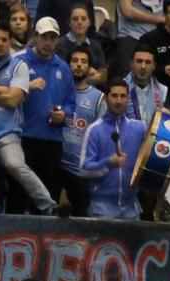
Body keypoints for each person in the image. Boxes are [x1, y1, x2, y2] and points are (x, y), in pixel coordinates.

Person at [0, 20, 56, 215]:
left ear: (9, 43)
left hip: (8, 133)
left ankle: (50, 206)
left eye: (4, 40)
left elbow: (12, 100)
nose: (0, 43)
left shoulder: (19, 66)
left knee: (15, 165)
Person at [16, 17, 74, 214]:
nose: (48, 42)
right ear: (35, 37)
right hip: (24, 138)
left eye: (52, 38)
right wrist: (26, 87)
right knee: (19, 194)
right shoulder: (19, 62)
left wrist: (63, 114)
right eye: (44, 37)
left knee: (49, 194)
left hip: (52, 139)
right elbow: (6, 95)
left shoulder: (63, 68)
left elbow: (71, 102)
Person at [80, 77, 142, 219]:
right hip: (102, 208)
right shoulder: (94, 130)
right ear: (105, 99)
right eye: (114, 96)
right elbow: (83, 170)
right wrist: (108, 163)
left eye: (123, 96)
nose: (119, 100)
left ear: (128, 99)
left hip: (131, 208)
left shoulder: (140, 128)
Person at [58, 44, 102, 216]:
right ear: (67, 64)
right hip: (57, 164)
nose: (78, 65)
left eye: (83, 62)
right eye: (74, 61)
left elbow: (101, 134)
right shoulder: (58, 91)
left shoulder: (98, 98)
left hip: (81, 171)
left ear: (89, 67)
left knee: (81, 217)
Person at [54, 4, 105, 86]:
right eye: (75, 19)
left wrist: (84, 76)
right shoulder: (59, 45)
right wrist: (88, 72)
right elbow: (62, 73)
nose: (80, 22)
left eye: (84, 19)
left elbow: (103, 75)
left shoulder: (95, 46)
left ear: (89, 22)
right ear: (69, 23)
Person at [111, 0, 162, 82]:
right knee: (124, 84)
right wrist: (161, 19)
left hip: (157, 39)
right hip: (131, 37)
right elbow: (127, 11)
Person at [123, 43, 165, 125]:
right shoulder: (120, 88)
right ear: (131, 63)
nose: (143, 66)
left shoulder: (163, 91)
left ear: (154, 65)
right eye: (139, 61)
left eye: (148, 62)